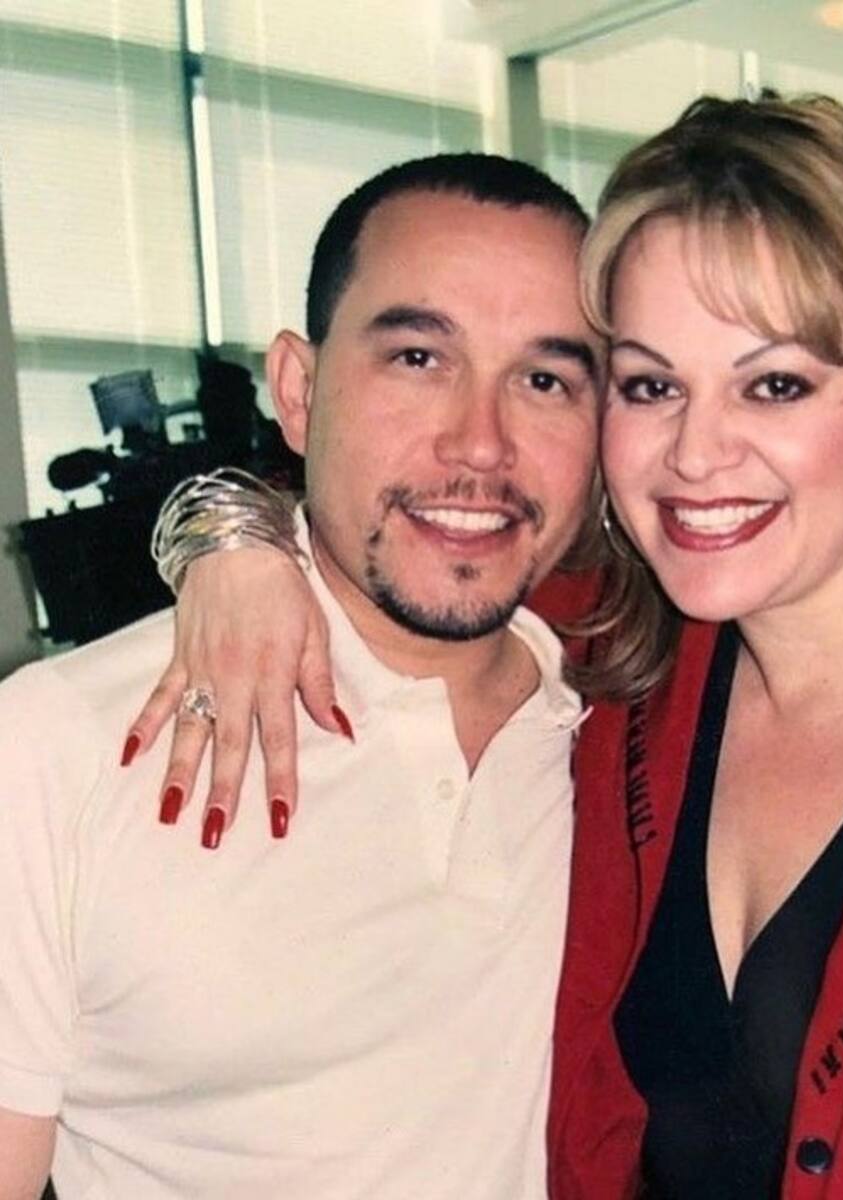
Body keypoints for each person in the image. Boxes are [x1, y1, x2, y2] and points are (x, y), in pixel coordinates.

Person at [130, 96, 843, 1198]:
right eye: (651, 386)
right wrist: (227, 537)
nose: (694, 453)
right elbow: (408, 519)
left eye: (773, 384)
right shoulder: (620, 657)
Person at [0, 153, 606, 1199]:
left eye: (545, 380)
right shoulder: (55, 749)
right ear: (298, 388)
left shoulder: (633, 718)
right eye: (418, 357)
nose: (481, 444)